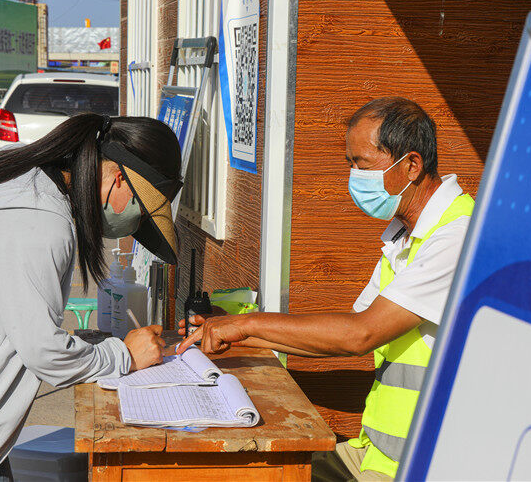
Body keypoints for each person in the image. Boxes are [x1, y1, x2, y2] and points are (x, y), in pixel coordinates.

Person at [178, 97, 475, 480]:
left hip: (425, 462)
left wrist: (247, 326)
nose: (354, 177)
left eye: (363, 164)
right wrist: (228, 332)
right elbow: (344, 329)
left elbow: (360, 335)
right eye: (350, 163)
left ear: (412, 165)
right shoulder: (404, 235)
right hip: (375, 451)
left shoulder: (456, 236)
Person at [0, 114, 184, 481]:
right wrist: (124, 356)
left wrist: (84, 344)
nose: (131, 226)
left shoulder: (19, 172)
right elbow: (43, 352)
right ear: (119, 178)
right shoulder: (41, 219)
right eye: (140, 212)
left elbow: (8, 309)